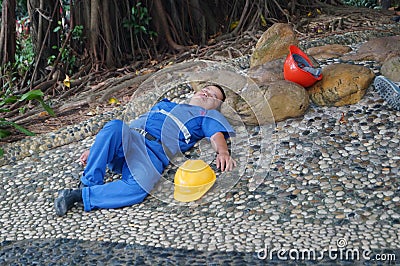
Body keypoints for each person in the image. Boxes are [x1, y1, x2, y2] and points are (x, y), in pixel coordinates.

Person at [54, 84, 237, 216]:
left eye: (213, 96)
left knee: (140, 187)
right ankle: (89, 183)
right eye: (205, 89)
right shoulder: (165, 104)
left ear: (217, 107)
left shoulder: (207, 116)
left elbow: (216, 136)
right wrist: (97, 150)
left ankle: (79, 196)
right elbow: (123, 128)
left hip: (152, 153)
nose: (207, 92)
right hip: (130, 137)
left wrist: (223, 152)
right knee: (115, 126)